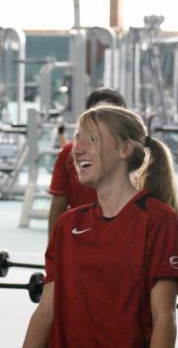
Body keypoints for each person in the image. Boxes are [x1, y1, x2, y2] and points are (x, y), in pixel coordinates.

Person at [8, 105, 178, 348]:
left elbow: (164, 319)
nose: (77, 149)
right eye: (77, 138)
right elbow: (46, 313)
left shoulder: (158, 220)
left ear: (124, 149)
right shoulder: (68, 224)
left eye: (91, 139)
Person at [47, 87, 126, 240]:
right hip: (80, 237)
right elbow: (58, 204)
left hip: (121, 239)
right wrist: (53, 247)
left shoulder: (133, 154)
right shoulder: (69, 153)